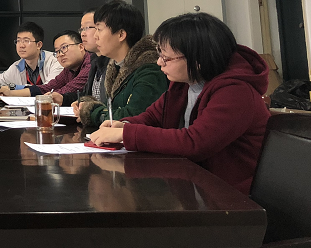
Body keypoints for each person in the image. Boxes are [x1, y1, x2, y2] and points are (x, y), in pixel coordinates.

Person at [90, 12, 270, 195]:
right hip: (192, 185)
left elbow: (195, 142)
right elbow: (154, 116)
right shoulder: (184, 83)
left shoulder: (235, 91)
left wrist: (126, 134)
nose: (159, 62)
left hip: (230, 195)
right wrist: (124, 124)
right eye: (160, 55)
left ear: (197, 60)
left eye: (166, 58)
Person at [72, 0, 167, 126]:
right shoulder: (116, 66)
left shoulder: (149, 70)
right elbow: (112, 109)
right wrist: (86, 104)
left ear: (121, 34)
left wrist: (90, 111)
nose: (95, 36)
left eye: (99, 29)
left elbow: (131, 116)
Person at [0, 30, 91, 104]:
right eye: (57, 51)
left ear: (81, 47)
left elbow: (70, 89)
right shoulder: (68, 70)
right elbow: (47, 87)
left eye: (64, 47)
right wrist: (10, 93)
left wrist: (49, 96)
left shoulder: (90, 63)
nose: (60, 54)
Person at [0, 22, 61, 94]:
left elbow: (49, 88)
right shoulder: (17, 66)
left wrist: (13, 88)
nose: (21, 45)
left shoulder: (55, 61)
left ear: (39, 45)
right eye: (18, 41)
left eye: (26, 41)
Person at [79, 8, 110, 102]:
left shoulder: (116, 62)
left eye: (87, 28)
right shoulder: (94, 60)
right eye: (82, 29)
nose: (82, 34)